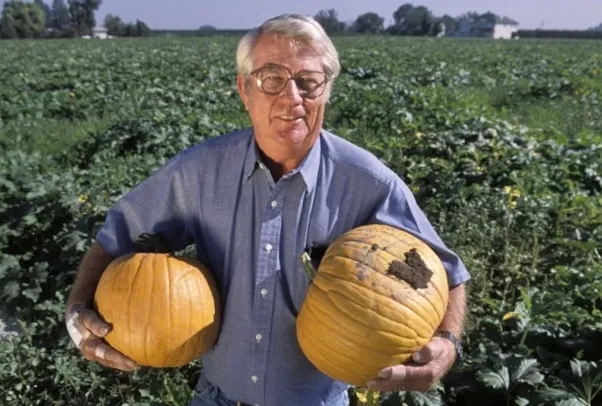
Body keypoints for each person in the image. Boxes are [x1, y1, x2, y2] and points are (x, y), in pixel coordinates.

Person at [65, 13, 470, 406]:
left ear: (326, 90)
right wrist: (77, 311)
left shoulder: (369, 183)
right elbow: (118, 235)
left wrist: (447, 345)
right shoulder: (199, 172)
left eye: (308, 82)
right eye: (272, 79)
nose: (291, 98)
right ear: (246, 90)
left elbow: (447, 274)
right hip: (218, 396)